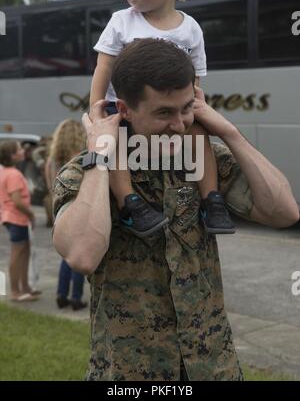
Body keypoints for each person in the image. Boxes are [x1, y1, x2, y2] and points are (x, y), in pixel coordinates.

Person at [52, 38, 299, 381]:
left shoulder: (204, 160)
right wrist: (100, 157)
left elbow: (284, 211)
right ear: (124, 109)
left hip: (213, 367)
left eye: (186, 109)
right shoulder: (86, 173)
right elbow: (82, 254)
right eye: (164, 113)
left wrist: (230, 133)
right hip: (131, 373)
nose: (180, 124)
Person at [90, 0, 235, 236]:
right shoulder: (121, 21)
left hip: (172, 112)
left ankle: (212, 199)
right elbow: (103, 67)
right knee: (113, 140)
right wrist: (96, 110)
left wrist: (192, 109)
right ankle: (128, 202)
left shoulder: (191, 29)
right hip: (125, 109)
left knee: (198, 131)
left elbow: (195, 76)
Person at [46, 119, 88, 311]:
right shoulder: (81, 159)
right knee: (79, 254)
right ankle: (76, 298)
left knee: (65, 255)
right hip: (78, 208)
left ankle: (61, 294)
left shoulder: (52, 160)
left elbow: (50, 186)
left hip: (60, 210)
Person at [0, 140, 40, 302]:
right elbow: (17, 201)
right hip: (16, 218)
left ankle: (26, 288)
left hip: (14, 218)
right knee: (18, 254)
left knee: (25, 252)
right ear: (12, 155)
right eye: (18, 149)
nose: (22, 151)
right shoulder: (14, 174)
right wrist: (31, 214)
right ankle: (16, 291)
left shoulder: (6, 172)